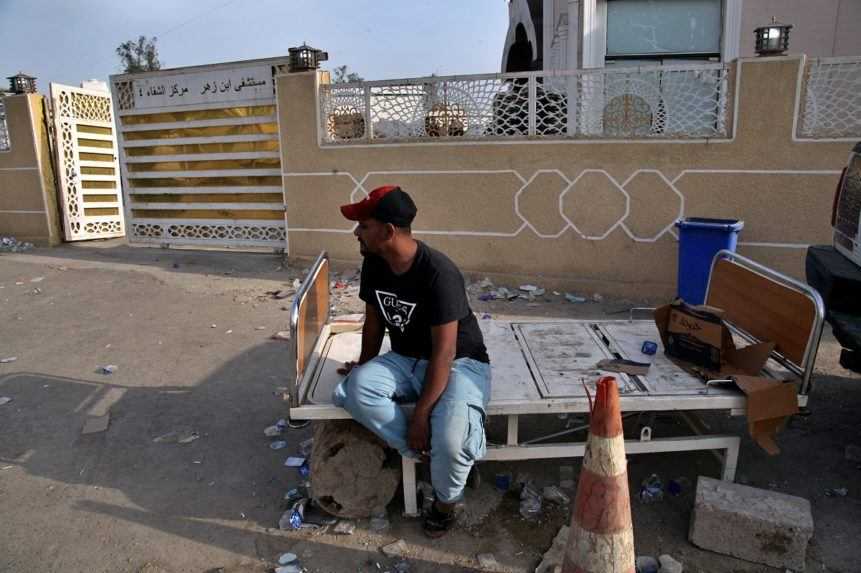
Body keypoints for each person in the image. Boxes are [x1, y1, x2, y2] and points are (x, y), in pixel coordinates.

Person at [332, 185, 491, 538]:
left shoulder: (439, 272)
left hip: (459, 363)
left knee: (451, 438)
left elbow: (445, 353)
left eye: (363, 225)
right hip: (405, 359)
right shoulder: (374, 263)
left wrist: (421, 415)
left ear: (388, 231)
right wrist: (365, 364)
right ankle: (434, 460)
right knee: (355, 389)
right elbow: (373, 321)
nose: (356, 232)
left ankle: (446, 501)